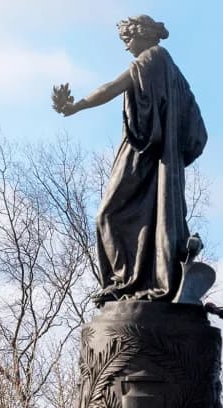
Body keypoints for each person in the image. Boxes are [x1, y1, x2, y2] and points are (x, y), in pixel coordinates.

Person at [56, 15, 207, 305]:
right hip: (153, 156)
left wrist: (77, 106)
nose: (126, 47)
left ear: (145, 35)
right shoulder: (170, 68)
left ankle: (124, 281)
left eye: (128, 39)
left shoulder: (153, 59)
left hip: (145, 155)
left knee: (108, 215)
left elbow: (114, 87)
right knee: (141, 218)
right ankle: (132, 281)